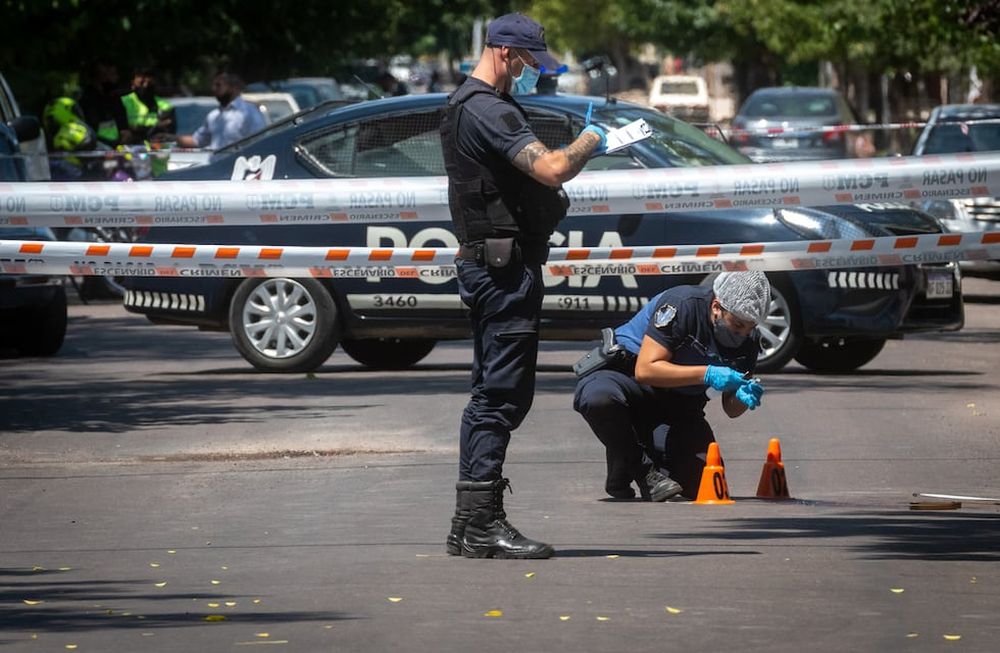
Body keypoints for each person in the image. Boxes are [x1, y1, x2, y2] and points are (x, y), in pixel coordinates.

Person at [440, 12, 607, 560]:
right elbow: (553, 168)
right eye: (531, 62)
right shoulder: (486, 108)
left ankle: (470, 523)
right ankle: (482, 523)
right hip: (501, 272)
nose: (535, 71)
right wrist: (591, 141)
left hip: (494, 266)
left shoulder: (469, 104)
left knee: (490, 396)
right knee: (502, 397)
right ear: (506, 53)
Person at [573, 272, 770, 502]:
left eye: (750, 327)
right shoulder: (682, 305)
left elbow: (731, 409)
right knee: (598, 398)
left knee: (702, 483)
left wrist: (743, 397)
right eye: (737, 325)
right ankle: (641, 469)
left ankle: (629, 451)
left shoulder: (748, 342)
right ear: (717, 307)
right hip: (630, 381)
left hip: (678, 404)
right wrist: (706, 373)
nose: (742, 334)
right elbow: (646, 370)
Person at [176, 73, 265, 150]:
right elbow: (198, 141)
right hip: (215, 166)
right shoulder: (213, 116)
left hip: (237, 167)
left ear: (232, 88)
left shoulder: (249, 112)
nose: (214, 89)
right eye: (214, 85)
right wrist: (171, 138)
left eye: (218, 85)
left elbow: (259, 142)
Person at [78, 59, 131, 147]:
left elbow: (120, 117)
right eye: (113, 74)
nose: (116, 78)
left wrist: (124, 130)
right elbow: (92, 127)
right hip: (100, 147)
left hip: (115, 146)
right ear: (102, 77)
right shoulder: (89, 99)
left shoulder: (112, 96)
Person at [121, 67, 176, 143]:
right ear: (133, 82)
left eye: (149, 83)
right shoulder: (123, 101)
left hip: (156, 147)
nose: (145, 86)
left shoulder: (165, 105)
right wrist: (156, 127)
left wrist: (137, 129)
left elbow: (166, 131)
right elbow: (122, 130)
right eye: (142, 83)